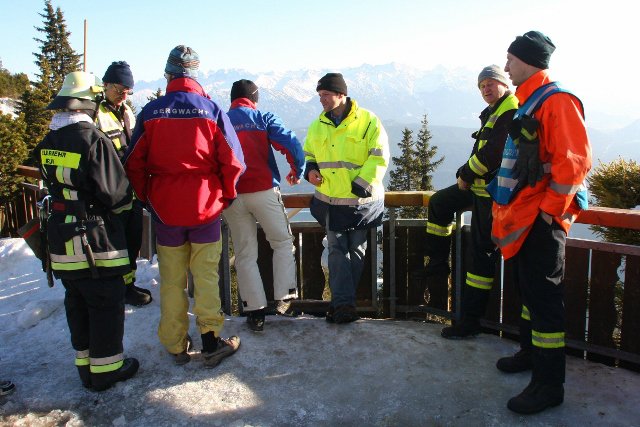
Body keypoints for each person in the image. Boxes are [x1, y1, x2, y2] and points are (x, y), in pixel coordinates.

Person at [124, 45, 245, 367]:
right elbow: (234, 161)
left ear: (168, 75)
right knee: (206, 278)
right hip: (205, 206)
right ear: (195, 75)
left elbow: (133, 163)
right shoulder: (211, 110)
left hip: (166, 210)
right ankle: (210, 341)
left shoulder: (151, 113)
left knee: (172, 279)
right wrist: (226, 195)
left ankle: (175, 345)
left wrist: (147, 196)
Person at [490, 31, 591, 414]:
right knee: (530, 293)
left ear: (529, 60)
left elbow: (574, 162)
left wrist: (550, 211)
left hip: (541, 220)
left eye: (511, 60)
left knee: (545, 301)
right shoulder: (529, 101)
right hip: (525, 216)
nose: (506, 67)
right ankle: (531, 354)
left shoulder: (557, 101)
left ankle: (549, 386)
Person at [33, 71, 139, 391]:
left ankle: (86, 367)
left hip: (62, 238)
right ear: (90, 103)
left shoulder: (49, 141)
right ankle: (107, 369)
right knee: (106, 301)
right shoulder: (93, 139)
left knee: (76, 302)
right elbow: (117, 194)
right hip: (95, 237)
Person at [433, 65, 518, 339]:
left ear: (504, 84)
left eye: (491, 83)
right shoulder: (494, 112)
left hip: (496, 196)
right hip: (481, 190)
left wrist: (467, 173)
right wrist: (465, 173)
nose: (486, 89)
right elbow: (482, 150)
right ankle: (437, 261)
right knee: (439, 203)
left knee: (482, 257)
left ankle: (472, 320)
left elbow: (494, 154)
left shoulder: (510, 109)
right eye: (482, 86)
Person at [303, 73, 389, 324]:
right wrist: (310, 170)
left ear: (341, 94)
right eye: (320, 96)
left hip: (361, 202)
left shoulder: (368, 121)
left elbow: (380, 155)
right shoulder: (318, 124)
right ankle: (343, 305)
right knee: (338, 251)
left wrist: (363, 183)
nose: (322, 100)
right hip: (331, 201)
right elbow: (309, 152)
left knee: (356, 250)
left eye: (326, 95)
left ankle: (343, 304)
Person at [224, 79, 305, 332]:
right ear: (254, 99)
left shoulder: (221, 120)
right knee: (281, 243)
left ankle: (255, 310)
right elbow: (290, 143)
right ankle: (285, 298)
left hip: (232, 195)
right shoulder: (263, 118)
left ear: (232, 99)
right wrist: (296, 169)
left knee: (245, 254)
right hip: (263, 191)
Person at [96, 60, 151, 307]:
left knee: (132, 239)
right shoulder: (95, 113)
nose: (123, 96)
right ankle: (114, 287)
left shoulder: (126, 111)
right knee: (113, 243)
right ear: (106, 84)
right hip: (109, 192)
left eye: (127, 91)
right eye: (119, 90)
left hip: (131, 189)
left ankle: (128, 284)